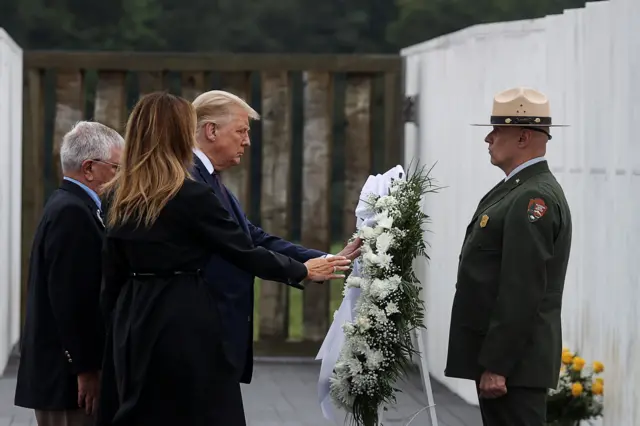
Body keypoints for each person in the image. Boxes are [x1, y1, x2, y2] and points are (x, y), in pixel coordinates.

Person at [96, 92, 350, 426]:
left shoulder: (116, 194)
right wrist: (301, 270)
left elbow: (111, 273)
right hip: (183, 316)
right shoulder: (188, 193)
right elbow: (242, 250)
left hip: (133, 315)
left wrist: (113, 329)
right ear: (178, 132)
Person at [190, 89, 361, 387]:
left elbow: (251, 235)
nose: (247, 140)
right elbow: (241, 248)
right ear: (211, 131)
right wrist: (304, 270)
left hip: (217, 331)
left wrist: (319, 259)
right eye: (241, 131)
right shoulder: (193, 180)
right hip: (203, 332)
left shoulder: (210, 179)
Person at [444, 87, 573, 426]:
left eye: (497, 130)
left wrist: (498, 365)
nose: (488, 138)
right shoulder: (515, 190)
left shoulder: (532, 198)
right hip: (509, 366)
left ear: (522, 137)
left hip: (514, 369)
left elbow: (522, 289)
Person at [15, 121, 124, 426]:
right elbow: (71, 300)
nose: (121, 177)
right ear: (89, 168)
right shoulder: (72, 213)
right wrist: (86, 369)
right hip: (68, 382)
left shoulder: (70, 205)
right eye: (116, 167)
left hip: (65, 374)